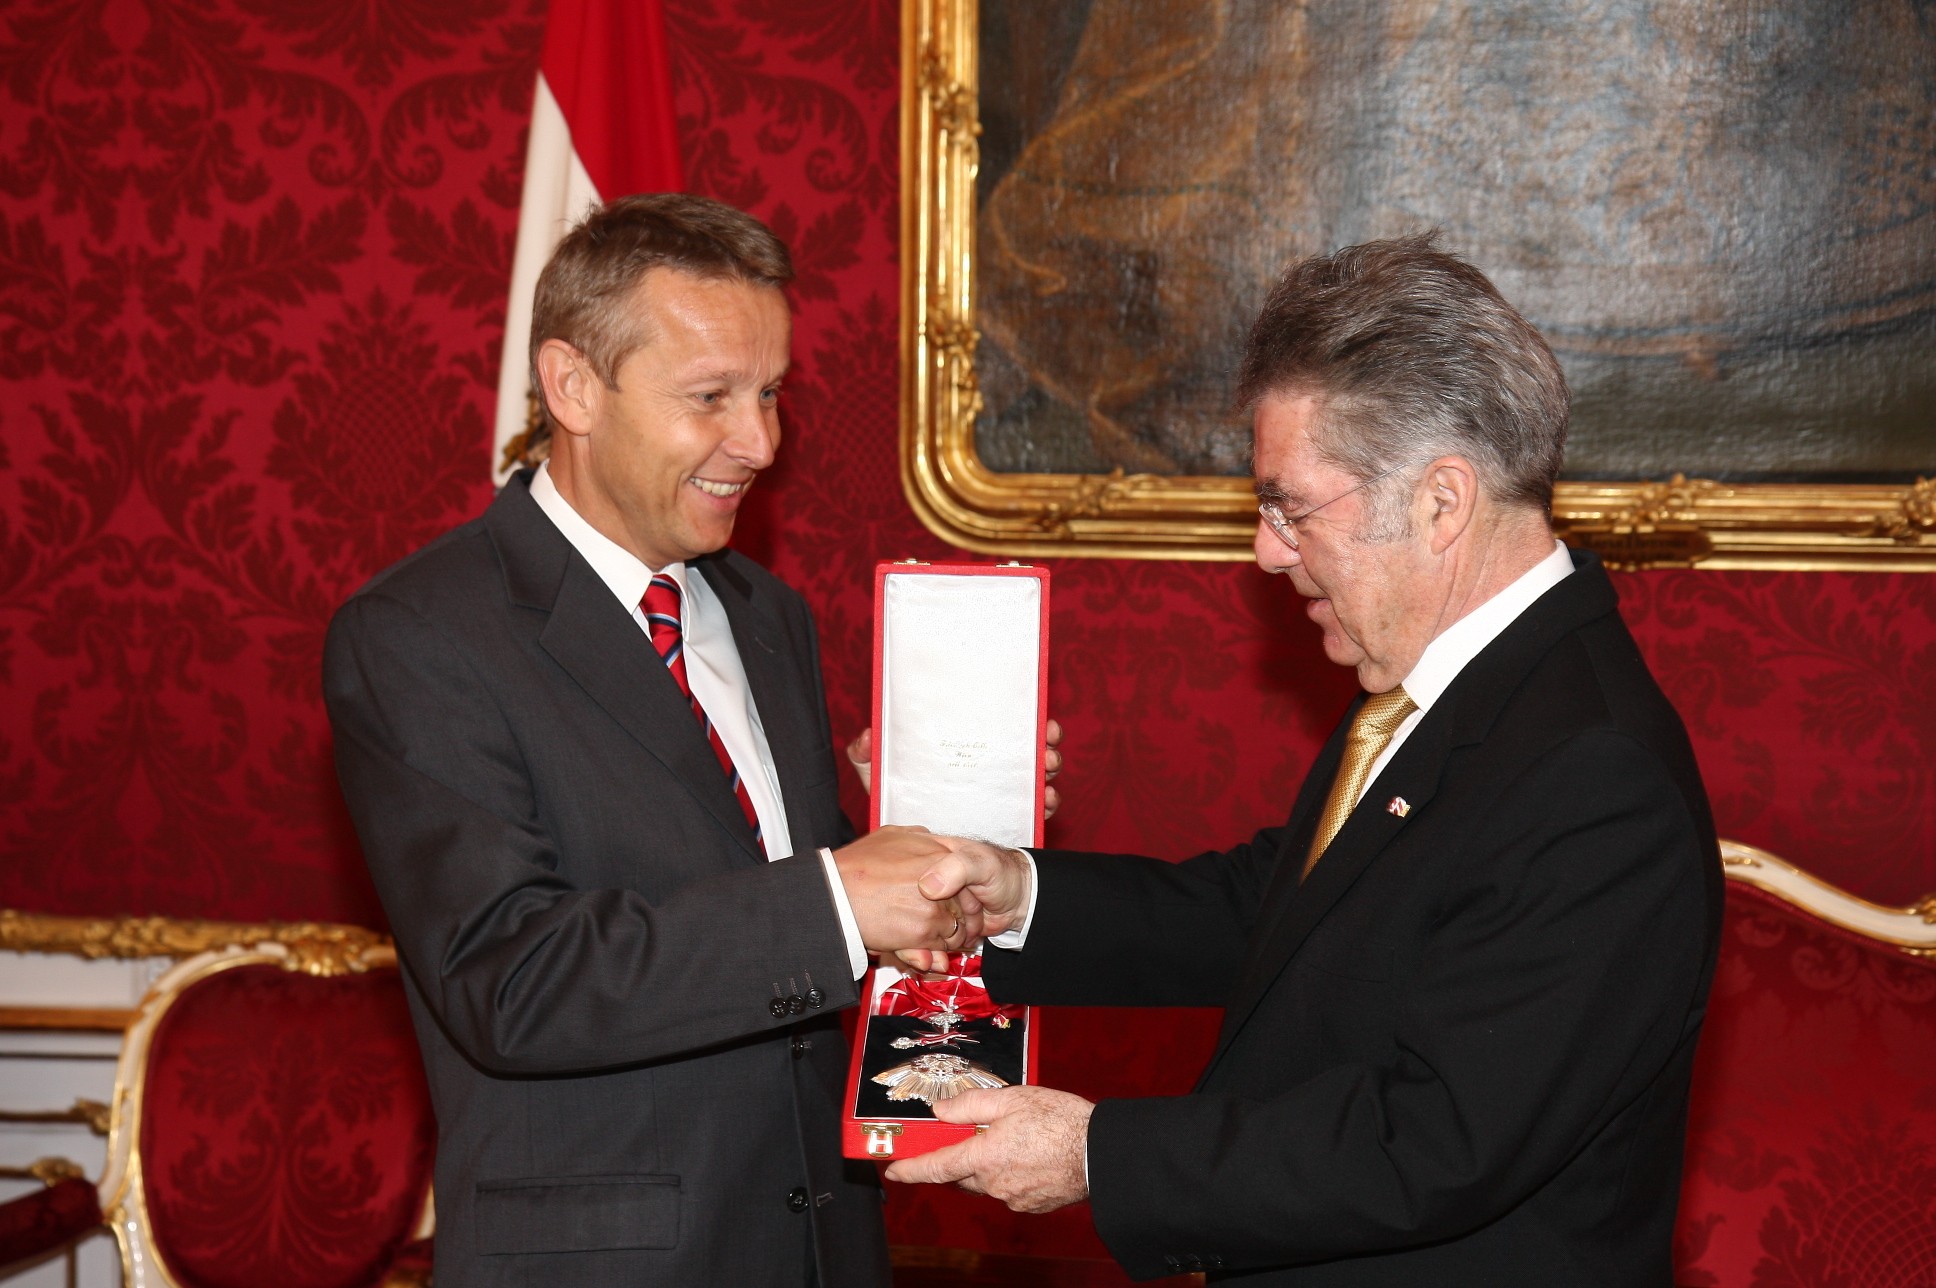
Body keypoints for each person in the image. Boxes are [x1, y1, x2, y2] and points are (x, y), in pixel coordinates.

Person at [888, 233, 1723, 1286]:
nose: (1265, 551)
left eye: (1291, 506)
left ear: (1439, 501)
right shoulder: (1446, 684)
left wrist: (1096, 1154)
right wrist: (1017, 893)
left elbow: (1434, 1142)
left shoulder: (1594, 774)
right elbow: (1282, 916)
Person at [323, 194, 1002, 1287]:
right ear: (573, 386)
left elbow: (749, 885)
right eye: (711, 398)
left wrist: (912, 824)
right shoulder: (420, 634)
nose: (762, 443)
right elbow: (513, 979)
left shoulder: (764, 615)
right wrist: (836, 894)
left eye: (772, 392)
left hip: (821, 1247)